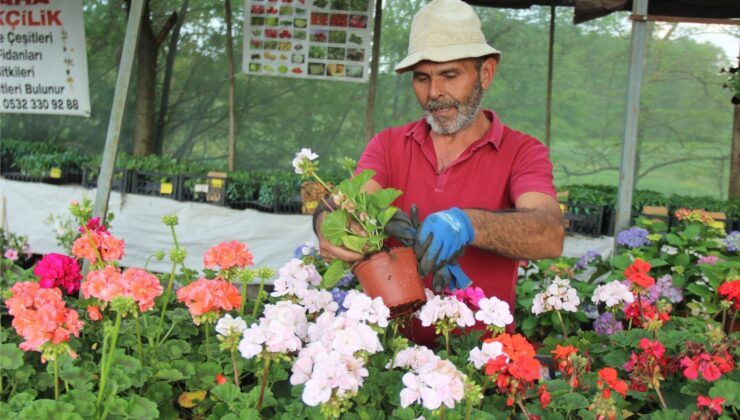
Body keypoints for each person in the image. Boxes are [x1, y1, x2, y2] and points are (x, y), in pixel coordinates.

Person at [314, 0, 565, 345]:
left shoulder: (522, 152)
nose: (434, 93)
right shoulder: (388, 145)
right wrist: (327, 224)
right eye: (422, 78)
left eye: (450, 75)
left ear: (486, 73)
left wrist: (469, 224)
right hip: (387, 353)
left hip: (479, 360)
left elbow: (550, 233)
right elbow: (344, 202)